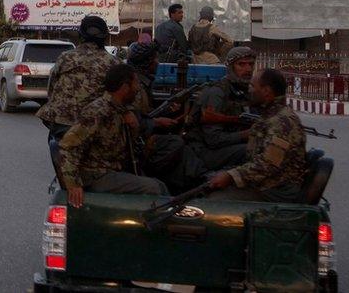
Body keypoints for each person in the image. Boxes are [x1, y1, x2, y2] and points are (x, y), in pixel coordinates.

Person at [60, 64, 170, 208]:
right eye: (135, 83)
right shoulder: (98, 112)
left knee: (160, 184)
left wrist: (134, 127)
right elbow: (68, 147)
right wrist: (73, 184)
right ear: (124, 87)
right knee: (153, 188)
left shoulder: (120, 110)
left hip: (112, 171)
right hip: (97, 175)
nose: (137, 89)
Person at [208, 69, 308, 202]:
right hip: (266, 184)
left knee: (211, 203)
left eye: (252, 86)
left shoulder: (282, 121)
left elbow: (268, 165)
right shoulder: (269, 116)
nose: (249, 90)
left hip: (276, 190)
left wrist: (231, 176)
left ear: (266, 91)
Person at [37, 15, 118, 175]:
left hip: (61, 126)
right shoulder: (113, 63)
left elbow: (51, 90)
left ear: (81, 36)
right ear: (105, 37)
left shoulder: (65, 58)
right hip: (95, 130)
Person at [127, 42, 208, 193]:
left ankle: (197, 178)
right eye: (154, 60)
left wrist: (167, 112)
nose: (157, 63)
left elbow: (146, 113)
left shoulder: (143, 82)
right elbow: (133, 119)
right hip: (136, 142)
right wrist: (156, 122)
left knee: (183, 146)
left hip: (145, 133)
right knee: (175, 143)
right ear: (147, 63)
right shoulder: (135, 87)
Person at [186, 46, 256, 171]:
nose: (248, 69)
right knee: (252, 148)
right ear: (231, 67)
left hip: (226, 147)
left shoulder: (245, 91)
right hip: (205, 152)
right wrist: (244, 135)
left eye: (251, 64)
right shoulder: (217, 93)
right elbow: (213, 140)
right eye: (241, 64)